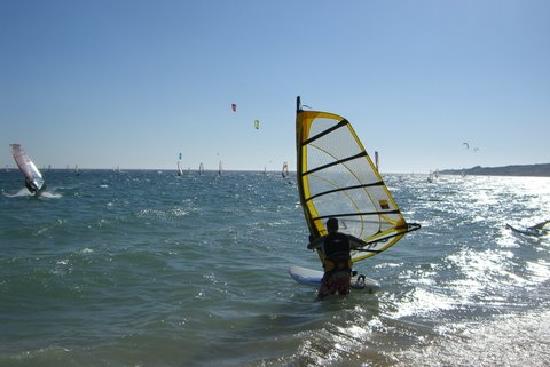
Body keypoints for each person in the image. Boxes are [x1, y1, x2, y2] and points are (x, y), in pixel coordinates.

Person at [308, 217, 354, 299]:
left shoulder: (324, 240)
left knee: (322, 299)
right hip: (345, 274)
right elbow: (362, 244)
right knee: (343, 298)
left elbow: (310, 247)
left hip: (331, 275)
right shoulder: (347, 238)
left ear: (328, 228)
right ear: (337, 227)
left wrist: (312, 241)